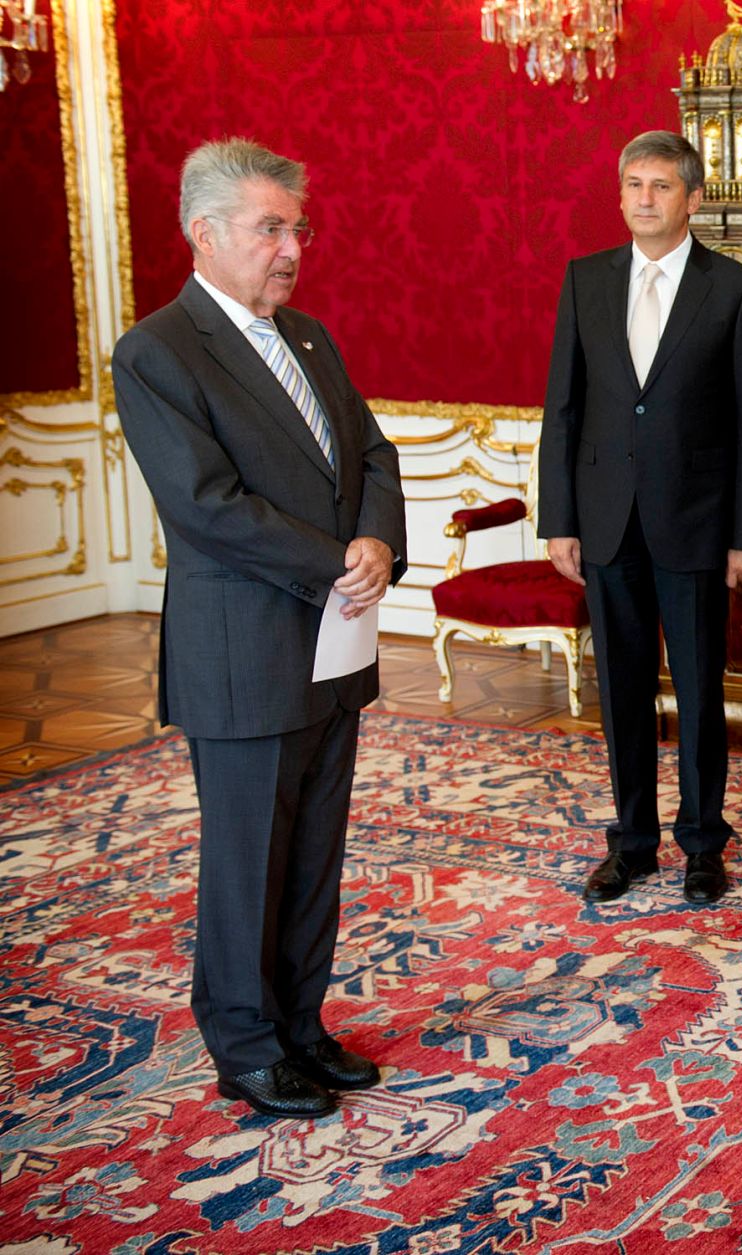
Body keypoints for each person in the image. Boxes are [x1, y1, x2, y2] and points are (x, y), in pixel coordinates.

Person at [113, 138, 406, 1121]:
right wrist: (336, 560)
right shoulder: (157, 350)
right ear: (205, 232)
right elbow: (205, 505)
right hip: (243, 654)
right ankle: (243, 1043)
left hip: (334, 644)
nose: (292, 247)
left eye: (298, 227)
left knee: (315, 848)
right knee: (249, 859)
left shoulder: (311, 336)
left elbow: (371, 451)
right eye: (270, 228)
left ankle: (301, 1025)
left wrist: (373, 538)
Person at [538, 130, 742, 906]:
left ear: (693, 198)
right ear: (620, 195)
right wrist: (559, 520)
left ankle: (703, 844)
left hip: (697, 524)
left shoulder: (736, 289)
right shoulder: (585, 280)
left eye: (661, 186)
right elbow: (563, 409)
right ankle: (632, 842)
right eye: (633, 184)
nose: (645, 198)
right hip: (605, 524)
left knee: (702, 693)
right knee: (622, 689)